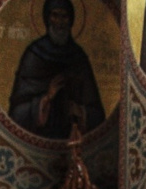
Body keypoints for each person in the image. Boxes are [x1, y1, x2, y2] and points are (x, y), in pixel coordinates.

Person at [8, 0, 107, 137]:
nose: (59, 22)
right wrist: (46, 99)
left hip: (73, 137)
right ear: (47, 18)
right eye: (55, 15)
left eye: (64, 16)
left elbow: (98, 114)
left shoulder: (78, 57)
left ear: (71, 20)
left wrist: (80, 111)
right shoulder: (34, 54)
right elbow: (16, 113)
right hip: (39, 139)